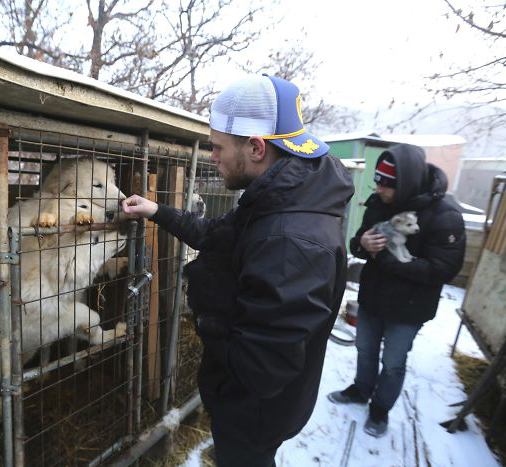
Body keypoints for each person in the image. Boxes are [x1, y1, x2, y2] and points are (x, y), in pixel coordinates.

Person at [122, 75, 354, 466]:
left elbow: (262, 368)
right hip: (250, 403)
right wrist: (156, 211)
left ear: (256, 147)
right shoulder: (277, 200)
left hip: (255, 414)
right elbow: (216, 234)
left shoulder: (291, 240)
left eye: (216, 147)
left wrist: (206, 303)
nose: (212, 156)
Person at [328, 143, 466, 437]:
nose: (379, 189)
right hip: (373, 298)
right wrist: (361, 245)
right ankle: (360, 389)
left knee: (392, 363)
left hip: (409, 308)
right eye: (378, 182)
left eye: (386, 185)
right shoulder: (379, 204)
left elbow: (444, 269)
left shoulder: (444, 214)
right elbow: (357, 244)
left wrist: (388, 261)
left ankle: (380, 410)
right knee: (365, 350)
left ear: (406, 183)